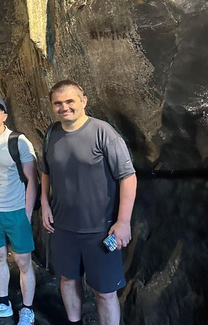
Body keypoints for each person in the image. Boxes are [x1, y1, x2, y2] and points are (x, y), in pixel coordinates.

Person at [40, 80, 137, 325]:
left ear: (83, 101)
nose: (64, 107)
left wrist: (123, 222)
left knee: (104, 293)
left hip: (100, 230)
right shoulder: (52, 133)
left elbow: (128, 176)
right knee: (67, 279)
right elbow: (46, 171)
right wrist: (44, 202)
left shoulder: (103, 133)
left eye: (70, 101)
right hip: (64, 228)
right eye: (58, 103)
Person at [0, 95, 39, 325]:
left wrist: (27, 213)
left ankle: (28, 309)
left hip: (15, 211)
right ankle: (3, 303)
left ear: (4, 115)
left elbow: (33, 179)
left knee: (23, 262)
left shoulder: (18, 141)